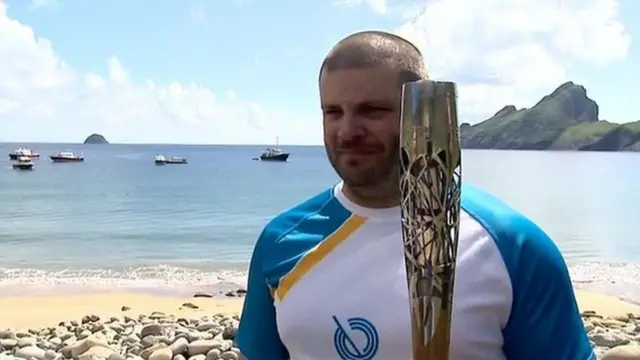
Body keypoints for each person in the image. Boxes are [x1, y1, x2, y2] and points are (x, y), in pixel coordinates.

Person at [235, 30, 595, 360]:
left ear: (420, 114)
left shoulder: (513, 247)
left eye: (372, 110)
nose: (347, 131)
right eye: (333, 112)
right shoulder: (281, 243)